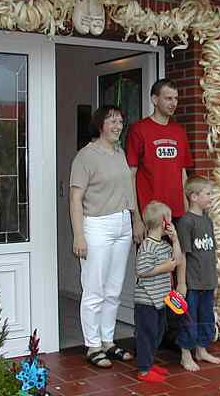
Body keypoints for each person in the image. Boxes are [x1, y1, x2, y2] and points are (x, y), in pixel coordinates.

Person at [69, 105, 135, 368]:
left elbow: (128, 188)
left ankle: (108, 341)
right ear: (100, 125)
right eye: (111, 121)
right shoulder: (85, 156)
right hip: (96, 225)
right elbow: (75, 198)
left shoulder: (120, 153)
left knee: (114, 289)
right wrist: (78, 236)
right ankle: (92, 345)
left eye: (120, 121)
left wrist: (134, 218)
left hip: (122, 224)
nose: (117, 126)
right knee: (94, 289)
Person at [126, 78, 193, 243]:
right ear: (155, 100)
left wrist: (188, 214)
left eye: (176, 98)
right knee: (153, 267)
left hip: (178, 215)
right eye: (168, 98)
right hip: (151, 216)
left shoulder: (179, 131)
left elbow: (182, 174)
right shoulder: (138, 130)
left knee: (179, 265)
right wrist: (137, 219)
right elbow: (130, 176)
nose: (173, 103)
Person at [175, 176, 220, 371]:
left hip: (207, 281)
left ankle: (201, 350)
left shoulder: (207, 221)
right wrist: (181, 283)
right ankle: (185, 354)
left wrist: (215, 277)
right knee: (189, 319)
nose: (212, 197)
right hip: (192, 283)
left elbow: (211, 252)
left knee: (206, 318)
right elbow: (183, 255)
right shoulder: (186, 222)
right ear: (194, 197)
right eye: (208, 194)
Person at [134, 201, 183, 382]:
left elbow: (177, 260)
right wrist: (164, 268)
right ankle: (144, 370)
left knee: (158, 332)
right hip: (146, 300)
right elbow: (142, 270)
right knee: (147, 334)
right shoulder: (147, 246)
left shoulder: (164, 244)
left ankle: (150, 362)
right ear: (164, 222)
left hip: (161, 299)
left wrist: (175, 239)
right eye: (169, 218)